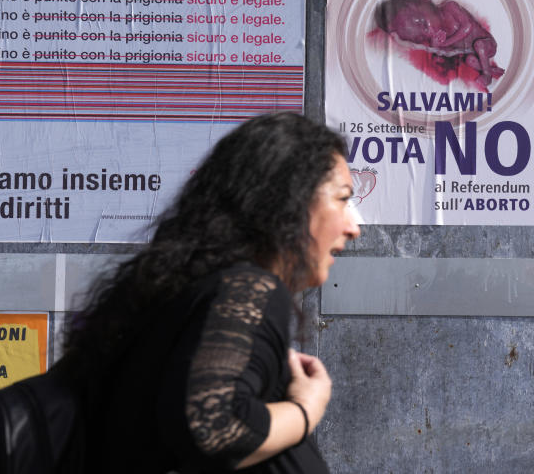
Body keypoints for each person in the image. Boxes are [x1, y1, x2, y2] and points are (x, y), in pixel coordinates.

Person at [55, 112, 360, 472]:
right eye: (342, 199)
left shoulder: (187, 293)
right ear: (288, 202)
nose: (354, 226)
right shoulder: (248, 288)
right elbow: (216, 429)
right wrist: (307, 408)